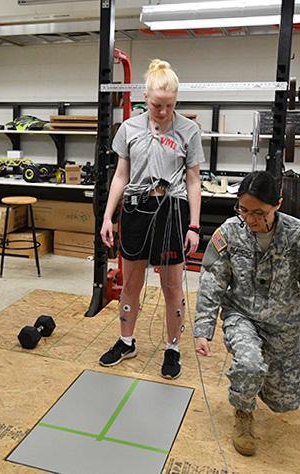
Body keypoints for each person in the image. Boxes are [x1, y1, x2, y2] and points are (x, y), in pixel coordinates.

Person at [193, 171, 300, 456]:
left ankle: (261, 381)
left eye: (259, 213)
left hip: (284, 325)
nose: (250, 219)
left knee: (286, 402)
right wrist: (203, 329)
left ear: (278, 204)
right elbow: (212, 282)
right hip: (242, 316)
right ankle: (243, 412)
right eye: (243, 210)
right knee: (249, 364)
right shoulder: (229, 233)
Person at [98, 59, 204, 380]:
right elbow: (120, 176)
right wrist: (107, 217)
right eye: (158, 104)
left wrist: (195, 225)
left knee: (172, 286)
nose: (163, 111)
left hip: (172, 211)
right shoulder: (129, 128)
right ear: (145, 97)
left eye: (170, 105)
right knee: (131, 282)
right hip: (135, 210)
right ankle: (126, 341)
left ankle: (172, 348)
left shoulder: (189, 130)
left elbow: (194, 180)